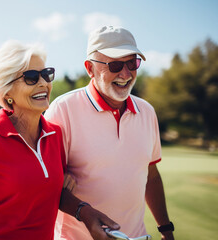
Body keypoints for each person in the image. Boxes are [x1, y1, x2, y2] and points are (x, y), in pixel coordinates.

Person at [0, 40, 118, 240]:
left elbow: (50, 192)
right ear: (7, 93)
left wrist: (84, 210)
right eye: (31, 77)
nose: (43, 83)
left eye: (46, 74)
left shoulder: (55, 135)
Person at [45, 26, 175, 240]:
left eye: (132, 63)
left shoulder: (147, 112)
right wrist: (83, 212)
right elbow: (45, 185)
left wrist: (166, 229)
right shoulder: (62, 110)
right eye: (115, 65)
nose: (125, 74)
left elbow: (150, 176)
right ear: (90, 68)